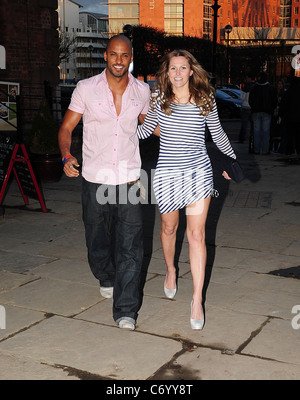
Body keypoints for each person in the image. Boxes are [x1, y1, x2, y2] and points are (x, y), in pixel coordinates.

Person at [137, 49, 236, 330]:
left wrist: (232, 161)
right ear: (166, 73)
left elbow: (216, 134)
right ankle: (170, 270)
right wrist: (119, 131)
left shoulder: (205, 99)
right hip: (168, 173)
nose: (178, 73)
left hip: (198, 174)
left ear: (191, 70)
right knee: (169, 229)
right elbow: (145, 132)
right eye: (173, 69)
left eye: (183, 68)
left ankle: (196, 299)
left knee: (196, 234)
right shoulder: (158, 99)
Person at [58, 34, 150, 331]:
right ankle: (105, 274)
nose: (119, 60)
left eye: (124, 55)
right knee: (97, 236)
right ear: (106, 56)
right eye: (113, 54)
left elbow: (153, 128)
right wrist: (65, 156)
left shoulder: (143, 90)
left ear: (130, 56)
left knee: (131, 244)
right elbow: (67, 127)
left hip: (131, 178)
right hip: (95, 177)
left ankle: (126, 310)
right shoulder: (86, 89)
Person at [248, 72, 277, 154]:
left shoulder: (254, 88)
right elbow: (274, 100)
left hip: (256, 111)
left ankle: (256, 149)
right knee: (266, 132)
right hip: (267, 111)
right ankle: (265, 150)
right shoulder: (270, 88)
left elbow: (250, 100)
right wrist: (271, 108)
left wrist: (253, 107)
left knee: (256, 131)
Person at [279, 75, 300, 156]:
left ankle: (289, 150)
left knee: (289, 136)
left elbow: (283, 105)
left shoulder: (288, 92)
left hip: (289, 118)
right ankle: (298, 150)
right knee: (298, 136)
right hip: (298, 118)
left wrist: (283, 115)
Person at [238, 74, 255, 144]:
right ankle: (252, 138)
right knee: (253, 125)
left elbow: (242, 97)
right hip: (252, 107)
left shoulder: (245, 87)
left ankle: (241, 139)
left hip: (245, 106)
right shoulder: (255, 86)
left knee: (244, 125)